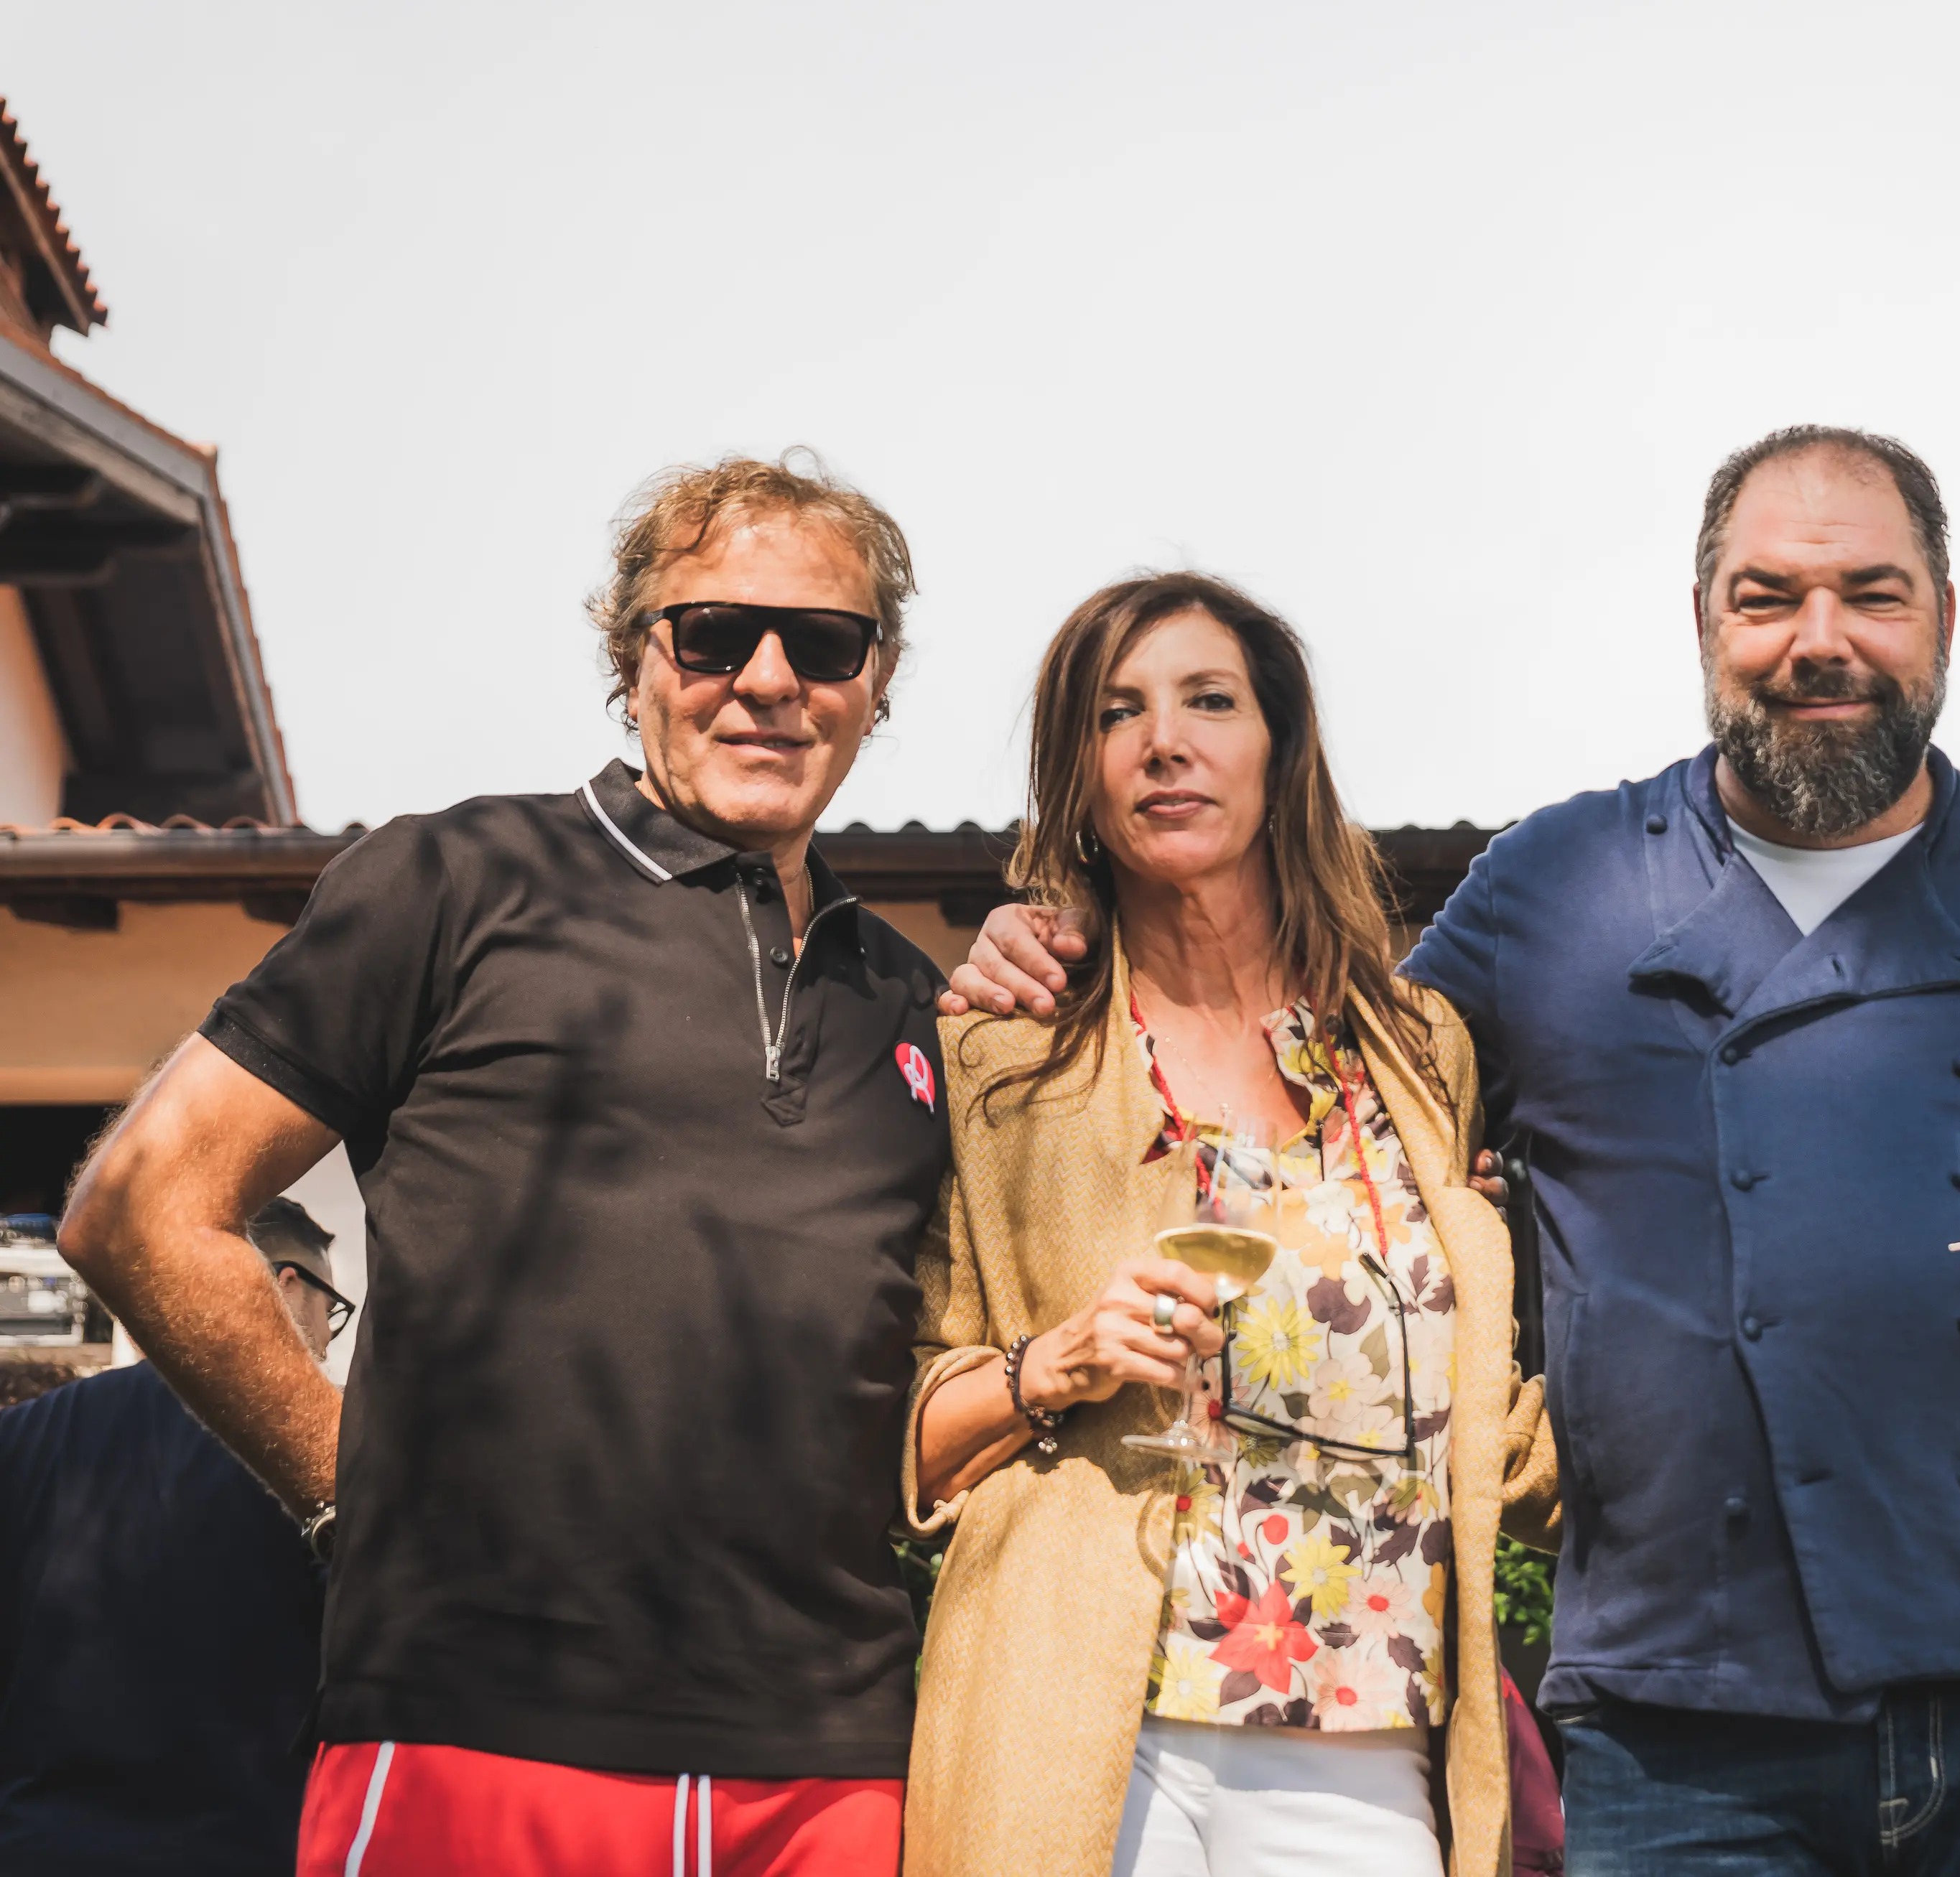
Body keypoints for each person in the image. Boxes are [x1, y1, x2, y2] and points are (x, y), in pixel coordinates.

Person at [950, 427, 1960, 1875]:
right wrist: (1068, 927)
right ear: (1701, 622)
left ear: (1945, 621)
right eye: (1766, 596)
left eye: (1870, 594)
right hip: (1684, 1719)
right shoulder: (1560, 885)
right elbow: (1323, 1087)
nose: (1819, 640)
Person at [55, 455, 947, 1877]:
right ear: (634, 657)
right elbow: (143, 1204)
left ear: (874, 681)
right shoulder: (458, 882)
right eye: (712, 632)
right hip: (478, 1738)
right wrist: (346, 1492)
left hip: (829, 1776)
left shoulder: (914, 1006)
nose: (769, 679)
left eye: (822, 641)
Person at [898, 573, 1557, 1877]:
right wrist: (1062, 1363)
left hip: (1362, 1733)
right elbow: (903, 1435)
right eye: (1116, 714)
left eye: (1211, 700)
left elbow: (1475, 1391)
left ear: (1279, 747)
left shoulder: (1420, 1052)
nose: (1165, 743)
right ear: (1077, 771)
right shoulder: (1003, 1052)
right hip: (1079, 1710)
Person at [0, 1198, 341, 1875]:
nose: (327, 1343)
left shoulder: (19, 1438)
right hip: (247, 1845)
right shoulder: (316, 1458)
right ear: (286, 1286)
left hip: (36, 1844)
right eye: (332, 1312)